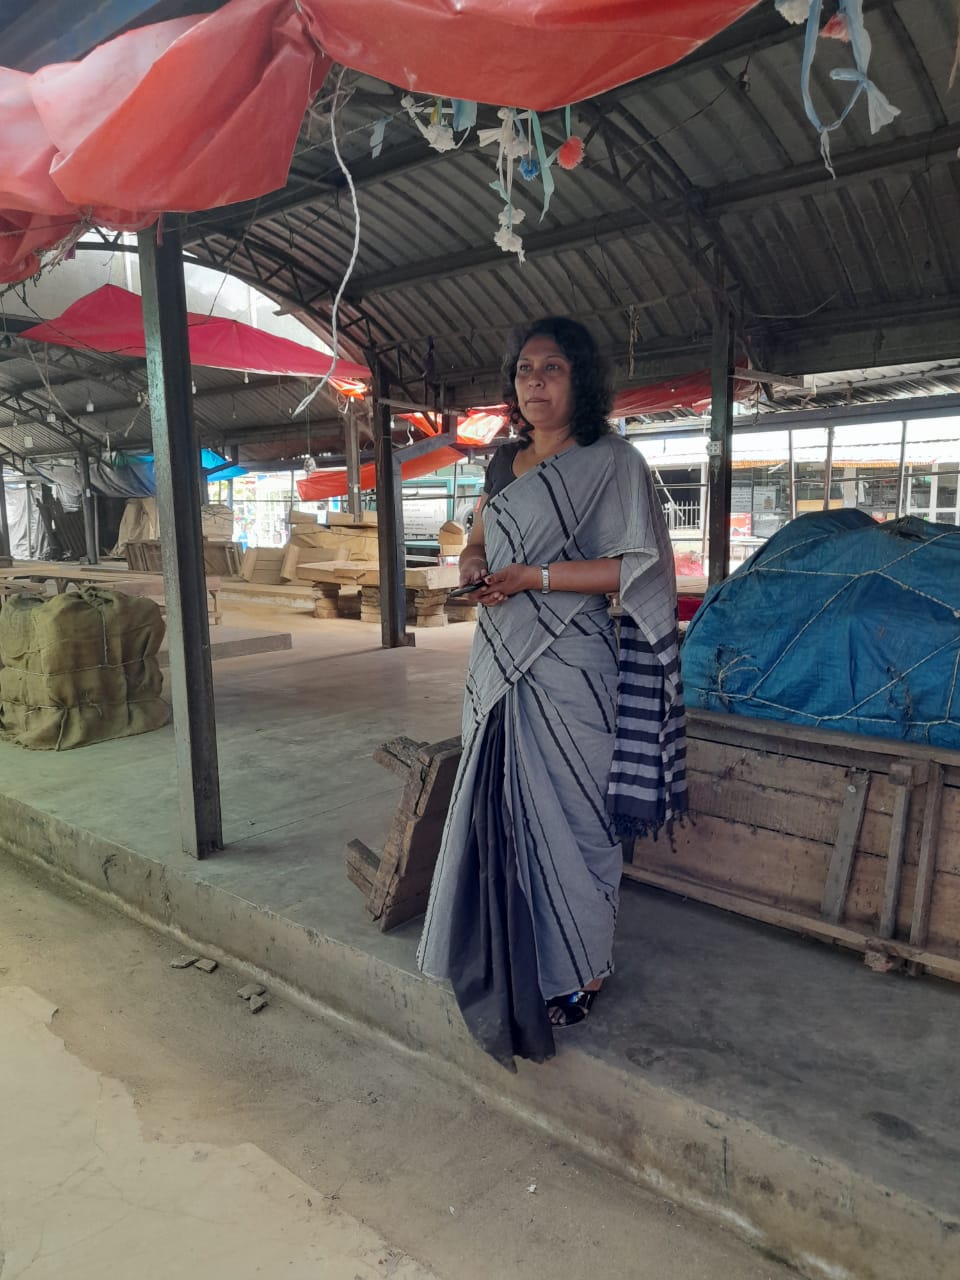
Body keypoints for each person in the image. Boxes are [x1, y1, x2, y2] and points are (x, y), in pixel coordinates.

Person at [417, 317, 687, 1069]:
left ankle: (584, 968)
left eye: (553, 368)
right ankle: (524, 962)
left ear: (582, 380)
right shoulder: (503, 463)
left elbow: (636, 568)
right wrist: (475, 565)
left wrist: (533, 576)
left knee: (576, 821)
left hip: (573, 667)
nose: (535, 382)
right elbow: (476, 539)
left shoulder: (612, 463)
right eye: (525, 369)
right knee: (503, 815)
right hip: (498, 663)